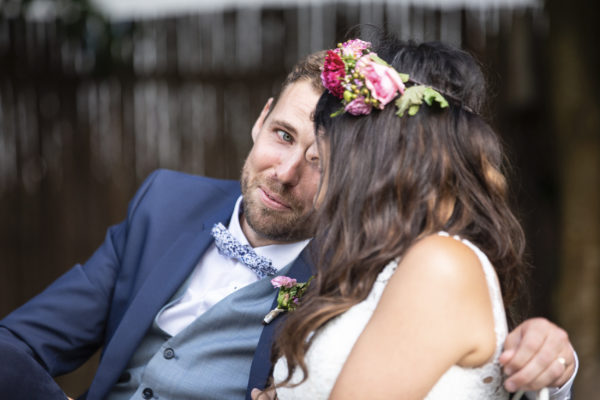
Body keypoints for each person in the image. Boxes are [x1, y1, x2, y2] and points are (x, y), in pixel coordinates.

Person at [0, 46, 575, 400]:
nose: (285, 172)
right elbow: (15, 344)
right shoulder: (165, 203)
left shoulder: (365, 260)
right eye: (282, 136)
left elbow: (463, 351)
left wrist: (552, 358)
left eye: (321, 162)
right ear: (258, 122)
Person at [252, 38, 577, 400]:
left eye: (323, 162)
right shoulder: (375, 268)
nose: (320, 188)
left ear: (371, 157)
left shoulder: (439, 264)